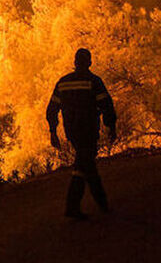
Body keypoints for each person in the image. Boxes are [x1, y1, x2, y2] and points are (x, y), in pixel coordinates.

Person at [46, 48, 117, 219]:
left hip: (72, 131)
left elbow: (51, 110)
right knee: (83, 165)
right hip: (89, 129)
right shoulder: (93, 81)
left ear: (75, 62)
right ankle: (74, 206)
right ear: (89, 62)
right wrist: (111, 127)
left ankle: (102, 203)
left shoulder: (62, 83)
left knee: (86, 163)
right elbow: (106, 105)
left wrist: (53, 132)